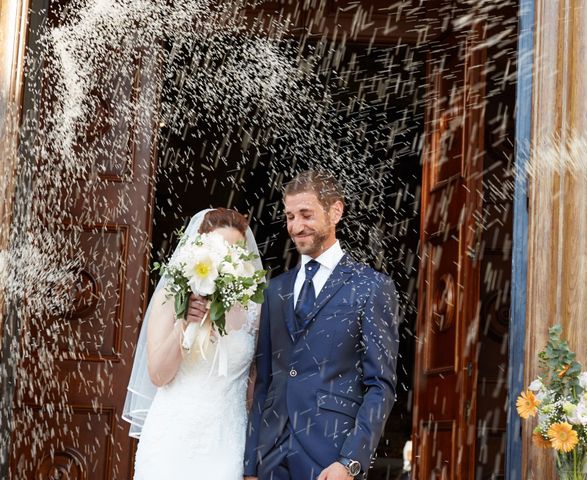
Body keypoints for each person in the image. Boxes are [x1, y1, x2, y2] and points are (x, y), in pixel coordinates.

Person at [244, 171, 400, 480]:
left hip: (331, 456)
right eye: (289, 216)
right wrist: (251, 463)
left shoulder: (371, 287)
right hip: (271, 457)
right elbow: (264, 384)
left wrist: (351, 461)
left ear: (335, 211)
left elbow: (380, 386)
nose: (296, 227)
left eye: (306, 214)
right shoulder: (275, 290)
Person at [123, 208, 263, 480]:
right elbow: (158, 374)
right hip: (171, 441)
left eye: (235, 251)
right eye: (219, 248)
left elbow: (255, 384)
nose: (226, 257)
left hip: (226, 441)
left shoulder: (253, 311)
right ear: (198, 248)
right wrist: (184, 323)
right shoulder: (170, 297)